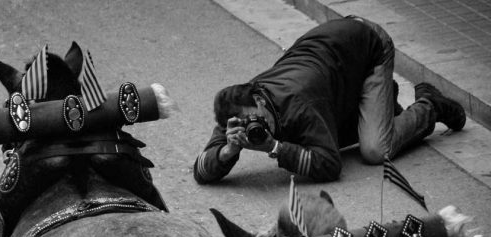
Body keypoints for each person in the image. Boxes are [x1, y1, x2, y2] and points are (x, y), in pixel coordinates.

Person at [193, 16, 466, 184]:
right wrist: (227, 152)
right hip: (335, 57)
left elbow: (330, 164)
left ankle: (430, 104)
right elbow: (201, 171)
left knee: (375, 150)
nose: (254, 125)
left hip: (367, 45)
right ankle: (382, 100)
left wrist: (274, 146)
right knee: (312, 138)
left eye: (257, 118)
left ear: (260, 100)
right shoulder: (239, 107)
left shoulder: (300, 104)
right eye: (244, 122)